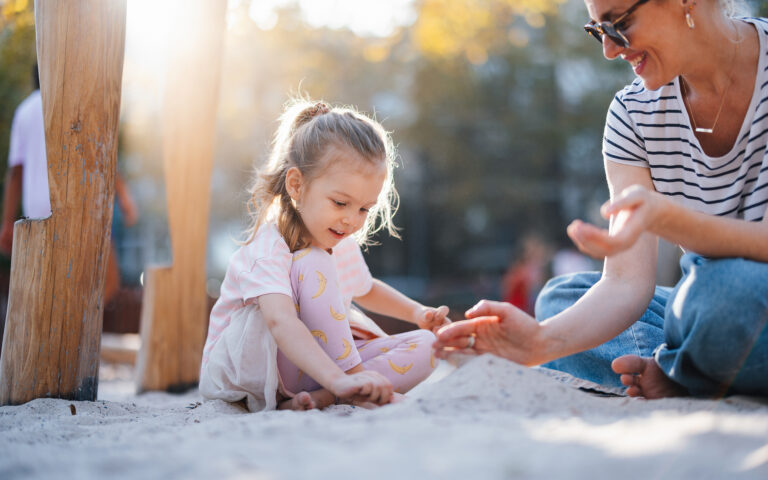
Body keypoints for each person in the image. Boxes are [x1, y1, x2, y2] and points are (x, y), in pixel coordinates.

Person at [435, 0, 768, 399]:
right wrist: (539, 342)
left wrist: (670, 221)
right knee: (562, 299)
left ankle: (681, 367)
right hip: (704, 305)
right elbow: (626, 282)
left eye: (619, 23)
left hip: (728, 299)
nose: (610, 49)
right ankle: (689, 363)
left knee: (725, 298)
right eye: (598, 30)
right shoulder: (632, 113)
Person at [199, 99, 450, 412]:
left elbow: (366, 288)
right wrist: (342, 376)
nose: (352, 220)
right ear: (296, 185)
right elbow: (280, 321)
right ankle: (350, 384)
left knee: (429, 346)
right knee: (314, 261)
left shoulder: (339, 239)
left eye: (364, 209)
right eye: (340, 203)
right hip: (256, 369)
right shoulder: (268, 248)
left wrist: (417, 313)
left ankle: (331, 394)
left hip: (316, 367)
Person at [1, 63, 138, 304]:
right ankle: (77, 331)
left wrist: (7, 223)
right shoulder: (74, 102)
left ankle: (68, 330)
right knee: (106, 283)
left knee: (49, 289)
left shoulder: (24, 111)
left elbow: (15, 172)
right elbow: (102, 153)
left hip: (36, 216)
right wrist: (125, 198)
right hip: (80, 211)